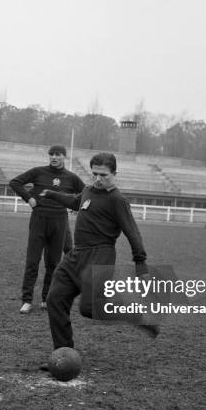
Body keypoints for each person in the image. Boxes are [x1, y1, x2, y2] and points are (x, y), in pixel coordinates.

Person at [38, 151, 158, 355]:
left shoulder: (117, 200)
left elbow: (132, 231)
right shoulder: (89, 190)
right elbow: (75, 201)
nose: (98, 179)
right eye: (95, 174)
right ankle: (64, 353)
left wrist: (141, 262)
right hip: (76, 255)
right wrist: (52, 194)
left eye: (104, 175)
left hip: (100, 256)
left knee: (89, 308)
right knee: (55, 300)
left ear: (114, 173)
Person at [9, 145, 85, 314]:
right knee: (32, 262)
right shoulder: (38, 172)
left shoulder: (71, 178)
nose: (54, 157)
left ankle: (45, 299)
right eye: (51, 154)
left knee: (53, 264)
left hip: (59, 221)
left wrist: (75, 204)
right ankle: (27, 300)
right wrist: (28, 198)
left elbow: (86, 193)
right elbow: (15, 182)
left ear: (64, 157)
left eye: (58, 155)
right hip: (39, 220)